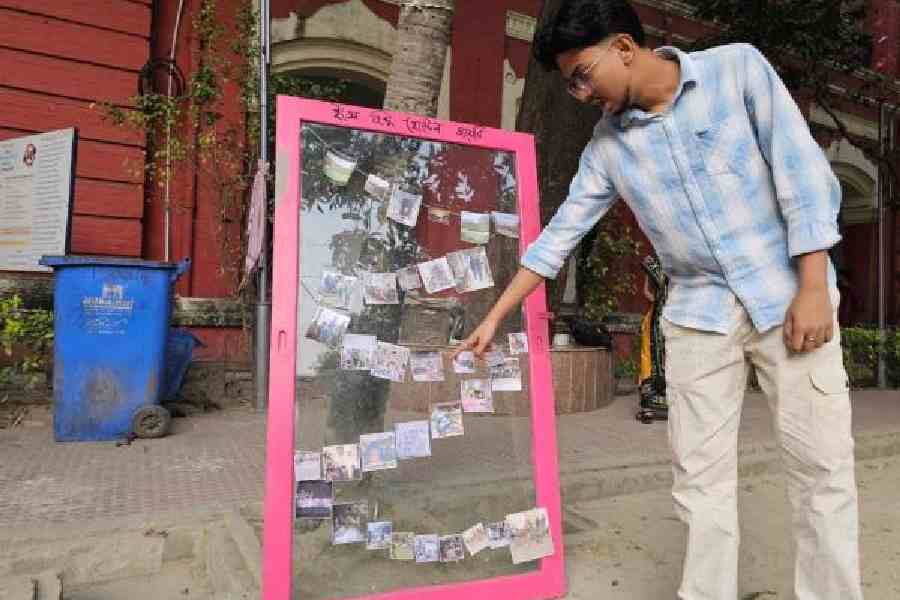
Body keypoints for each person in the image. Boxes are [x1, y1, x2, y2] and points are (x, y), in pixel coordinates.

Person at [452, 1, 863, 598]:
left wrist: (811, 286)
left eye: (581, 75)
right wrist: (494, 315)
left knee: (822, 472)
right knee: (699, 482)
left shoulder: (737, 71)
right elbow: (559, 236)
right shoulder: (607, 149)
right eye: (569, 83)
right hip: (699, 321)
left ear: (623, 46)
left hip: (790, 302)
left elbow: (801, 175)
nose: (578, 93)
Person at [636, 253, 668, 423]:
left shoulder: (680, 263)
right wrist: (659, 301)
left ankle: (672, 403)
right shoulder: (653, 263)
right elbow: (646, 291)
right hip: (655, 319)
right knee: (650, 357)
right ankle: (648, 405)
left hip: (674, 319)